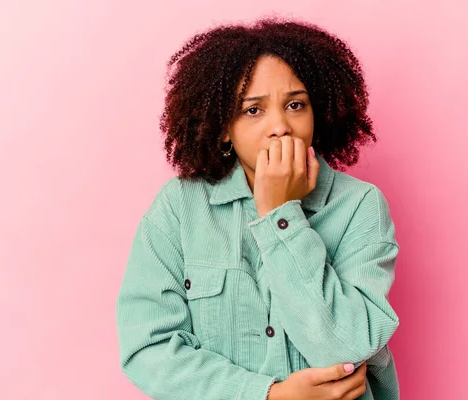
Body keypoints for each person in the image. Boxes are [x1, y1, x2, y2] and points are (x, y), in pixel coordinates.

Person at [116, 16, 400, 400]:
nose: (280, 126)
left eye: (296, 104)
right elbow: (147, 350)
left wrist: (279, 215)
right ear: (223, 128)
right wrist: (267, 395)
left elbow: (346, 348)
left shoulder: (360, 206)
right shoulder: (179, 207)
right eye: (253, 110)